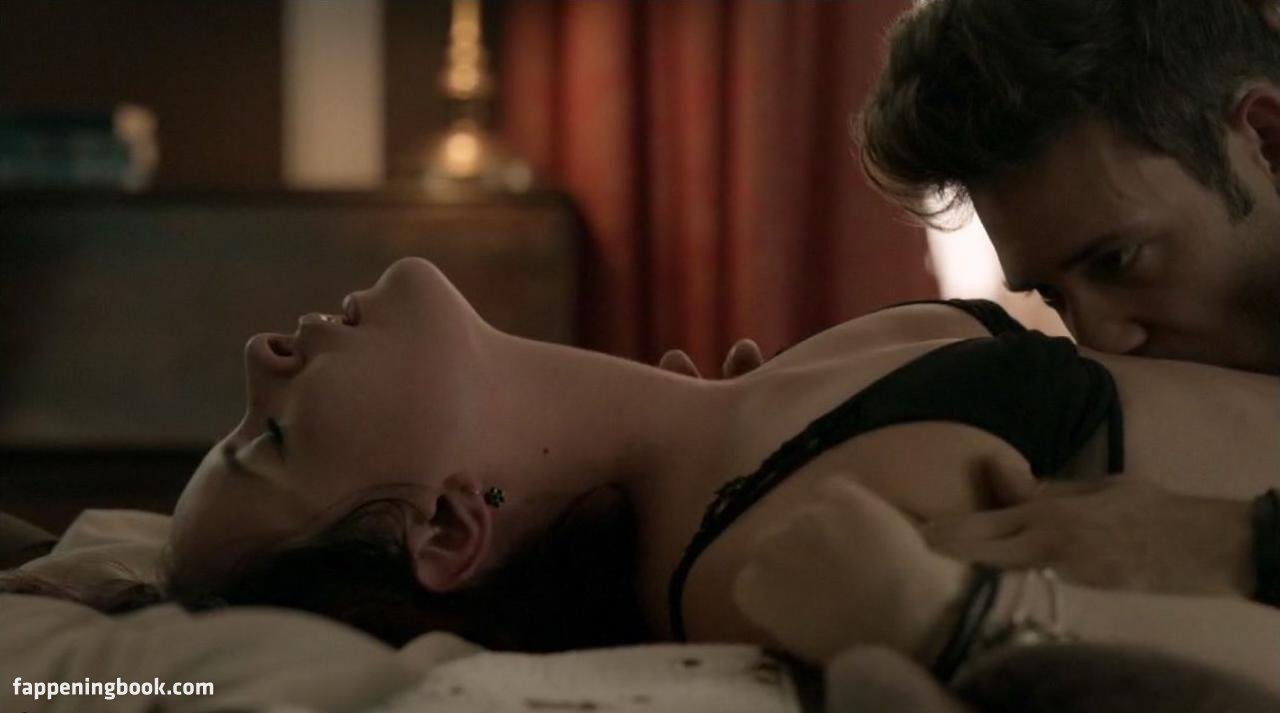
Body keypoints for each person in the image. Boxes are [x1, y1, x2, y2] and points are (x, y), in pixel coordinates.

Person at [152, 257, 1280, 691]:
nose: (261, 357)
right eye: (269, 437)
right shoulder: (772, 549)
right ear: (447, 527)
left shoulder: (754, 409)